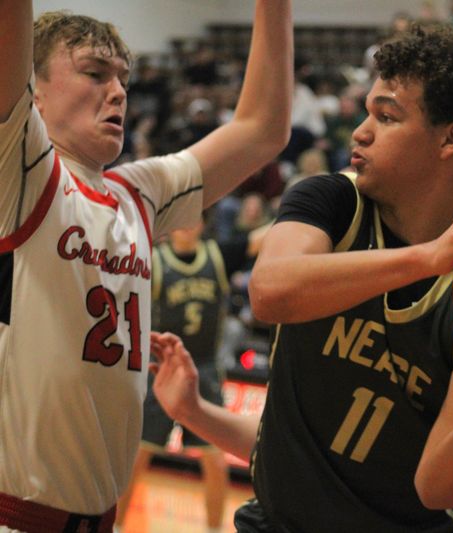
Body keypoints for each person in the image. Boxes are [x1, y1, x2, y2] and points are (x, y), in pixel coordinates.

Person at [150, 24, 453, 532]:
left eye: (387, 117)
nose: (360, 131)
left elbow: (434, 487)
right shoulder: (331, 202)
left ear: (451, 139)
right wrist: (194, 411)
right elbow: (270, 292)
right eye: (367, 111)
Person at [0, 0, 292, 529]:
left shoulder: (139, 191)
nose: (118, 92)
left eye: (124, 80)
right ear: (33, 91)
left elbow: (263, 128)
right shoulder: (20, 171)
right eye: (94, 73)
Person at [115, 219, 268, 532]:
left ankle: (213, 529)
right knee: (138, 456)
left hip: (206, 370)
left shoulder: (219, 255)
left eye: (195, 217)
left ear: (202, 224)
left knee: (214, 460)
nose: (187, 224)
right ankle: (115, 526)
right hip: (161, 368)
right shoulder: (152, 258)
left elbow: (260, 237)